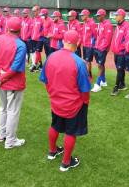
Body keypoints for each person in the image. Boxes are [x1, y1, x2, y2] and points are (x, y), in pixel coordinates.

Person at [40, 30, 91, 172]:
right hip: (73, 105)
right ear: (77, 43)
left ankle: (52, 151)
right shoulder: (79, 63)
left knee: (55, 125)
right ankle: (66, 162)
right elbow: (85, 90)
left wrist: (52, 94)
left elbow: (45, 81)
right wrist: (85, 102)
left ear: (63, 41)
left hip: (56, 101)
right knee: (71, 132)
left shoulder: (51, 57)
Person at [0, 17, 27, 149]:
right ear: (20, 29)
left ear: (7, 27)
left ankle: (1, 135)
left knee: (3, 108)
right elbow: (15, 69)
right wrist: (2, 76)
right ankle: (10, 141)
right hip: (12, 83)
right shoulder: (20, 44)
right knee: (12, 111)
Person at [91, 9, 113, 93]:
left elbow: (108, 39)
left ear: (103, 15)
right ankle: (103, 81)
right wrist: (96, 45)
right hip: (97, 47)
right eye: (97, 16)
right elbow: (99, 36)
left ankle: (97, 85)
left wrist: (101, 47)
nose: (97, 17)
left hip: (102, 49)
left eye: (99, 16)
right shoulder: (100, 24)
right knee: (100, 64)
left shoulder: (108, 25)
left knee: (100, 65)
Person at [110, 8, 129, 96]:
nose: (115, 17)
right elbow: (115, 38)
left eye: (117, 15)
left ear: (121, 16)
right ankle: (123, 84)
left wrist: (120, 48)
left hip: (121, 53)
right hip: (116, 52)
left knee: (119, 69)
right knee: (120, 69)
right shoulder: (118, 25)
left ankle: (116, 87)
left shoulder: (126, 26)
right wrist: (114, 48)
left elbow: (127, 40)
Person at [80, 9, 97, 79]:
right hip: (84, 45)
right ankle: (87, 73)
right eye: (81, 15)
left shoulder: (92, 23)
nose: (81, 17)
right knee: (85, 60)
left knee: (88, 61)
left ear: (87, 15)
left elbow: (95, 35)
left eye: (82, 15)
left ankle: (89, 74)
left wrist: (92, 44)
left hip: (89, 46)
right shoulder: (84, 23)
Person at [30, 5, 44, 72]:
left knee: (37, 51)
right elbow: (32, 29)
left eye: (35, 11)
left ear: (38, 11)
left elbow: (44, 29)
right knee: (37, 52)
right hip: (33, 38)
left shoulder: (41, 19)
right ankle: (41, 65)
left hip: (39, 39)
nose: (34, 12)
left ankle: (34, 65)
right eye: (33, 11)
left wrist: (39, 35)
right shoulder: (33, 19)